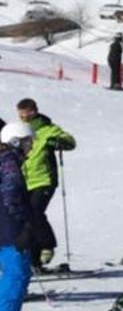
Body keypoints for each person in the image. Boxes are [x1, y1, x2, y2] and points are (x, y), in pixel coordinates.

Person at [15, 99, 75, 269]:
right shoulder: (20, 130)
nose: (23, 116)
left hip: (44, 179)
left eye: (26, 112)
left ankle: (47, 245)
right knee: (26, 219)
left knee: (34, 212)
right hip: (23, 181)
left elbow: (70, 141)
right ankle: (34, 261)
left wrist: (58, 142)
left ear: (34, 111)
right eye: (20, 113)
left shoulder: (48, 129)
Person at [0, 122, 34, 311]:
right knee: (17, 274)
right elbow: (11, 196)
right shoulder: (10, 162)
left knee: (10, 273)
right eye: (28, 142)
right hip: (9, 226)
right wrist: (25, 224)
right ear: (16, 142)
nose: (31, 146)